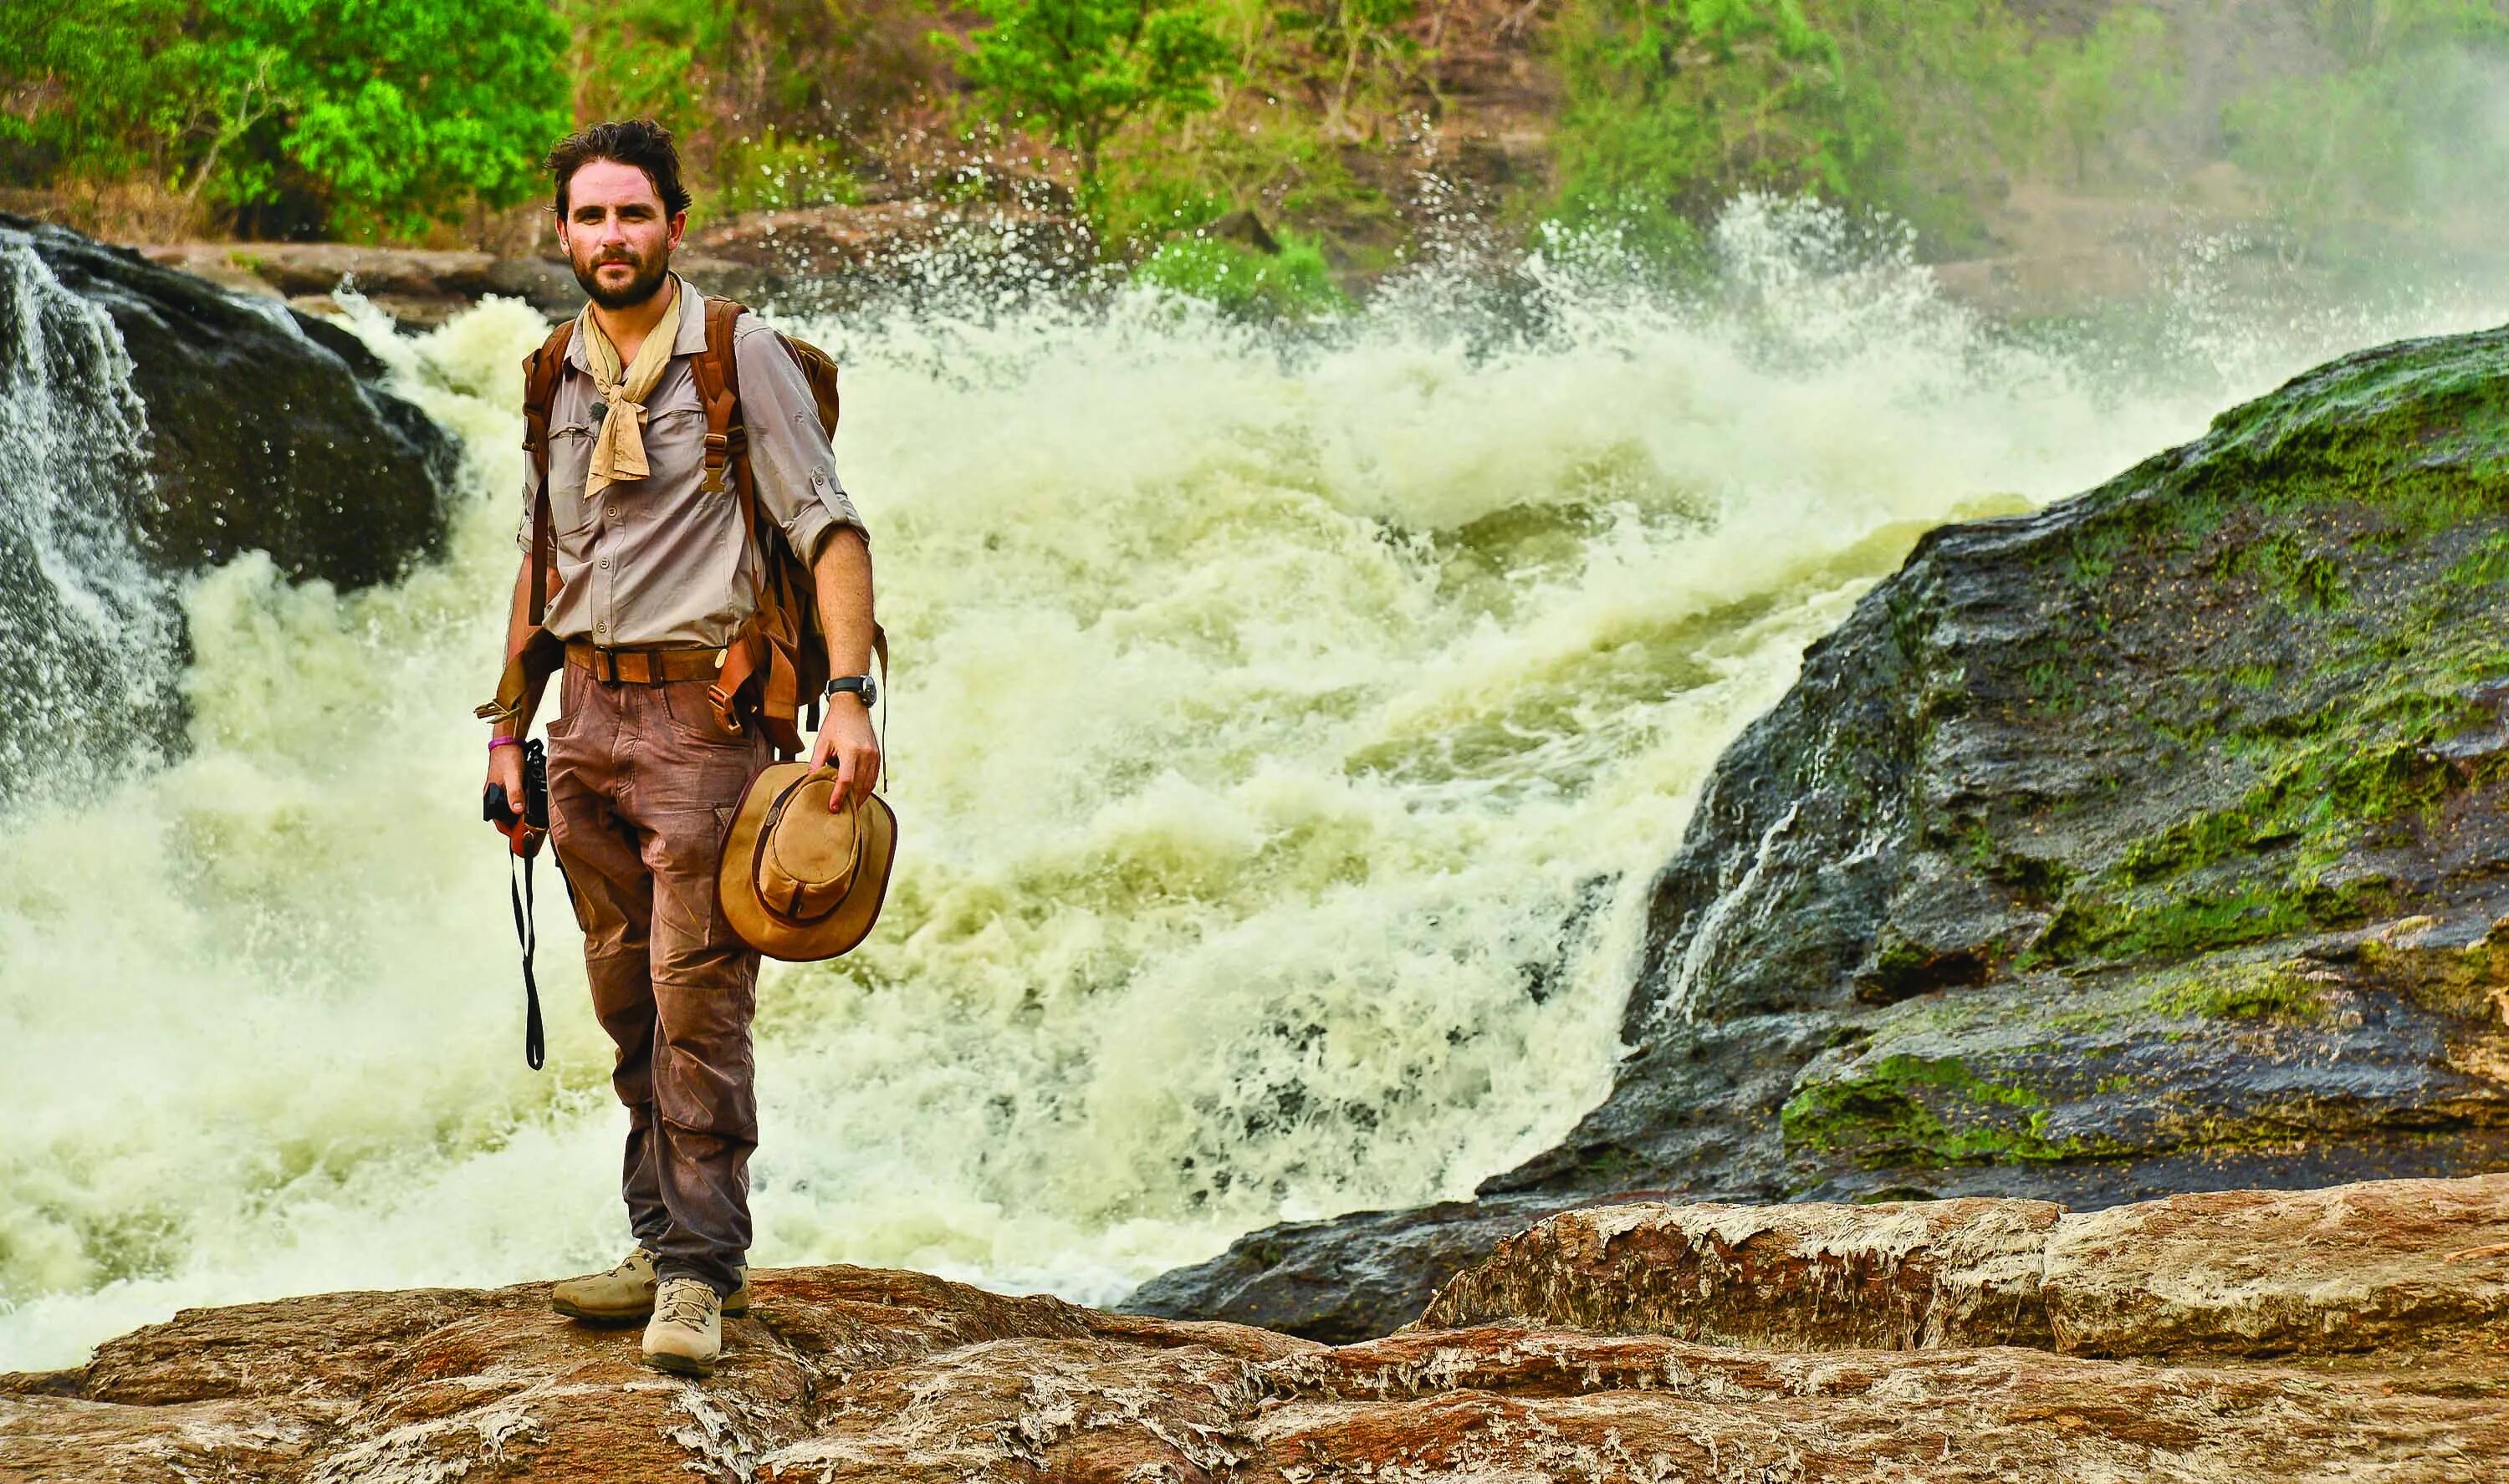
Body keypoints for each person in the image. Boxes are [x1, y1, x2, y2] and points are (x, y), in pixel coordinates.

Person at [480, 119, 881, 1379]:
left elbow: (830, 527)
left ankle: (705, 1273)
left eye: (633, 216)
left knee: (699, 998)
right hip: (583, 721)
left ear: (675, 222)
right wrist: (506, 730)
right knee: (624, 999)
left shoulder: (737, 354)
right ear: (562, 233)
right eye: (590, 218)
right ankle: (655, 1242)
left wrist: (852, 695)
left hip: (708, 725)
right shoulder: (553, 368)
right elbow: (541, 563)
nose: (611, 238)